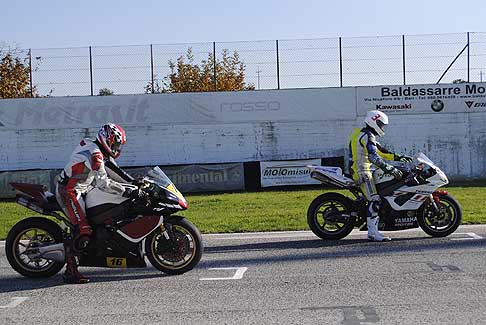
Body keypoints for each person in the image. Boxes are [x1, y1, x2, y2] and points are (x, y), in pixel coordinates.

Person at [56, 123, 145, 284]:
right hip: (69, 192)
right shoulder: (95, 154)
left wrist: (133, 182)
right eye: (116, 144)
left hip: (84, 188)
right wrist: (127, 191)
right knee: (83, 229)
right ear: (108, 140)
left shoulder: (94, 145)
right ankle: (70, 271)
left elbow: (112, 168)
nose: (117, 148)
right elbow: (104, 182)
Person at [348, 110, 412, 242]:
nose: (383, 128)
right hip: (363, 171)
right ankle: (372, 233)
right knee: (375, 199)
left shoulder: (361, 133)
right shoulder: (368, 136)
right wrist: (389, 168)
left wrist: (398, 157)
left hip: (364, 169)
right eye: (381, 124)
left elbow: (381, 151)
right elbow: (374, 157)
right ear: (374, 121)